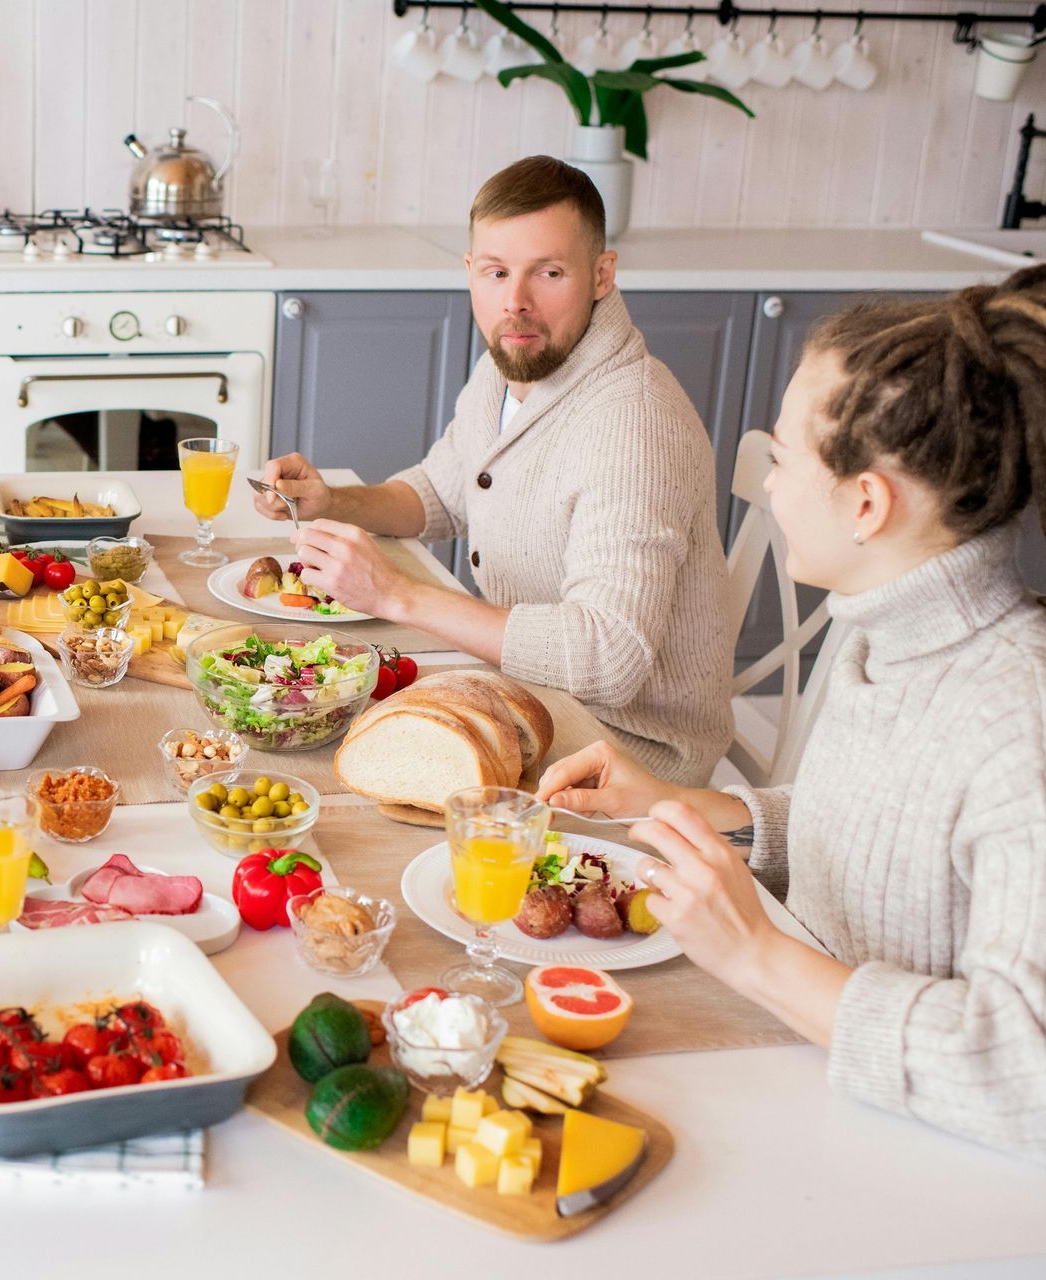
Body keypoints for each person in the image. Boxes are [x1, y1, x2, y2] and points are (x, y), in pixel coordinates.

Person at [537, 271, 1046, 1159]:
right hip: (811, 1081)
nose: (767, 488)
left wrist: (755, 956)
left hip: (935, 1172)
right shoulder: (885, 630)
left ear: (865, 503)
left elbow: (1022, 1070)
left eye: (781, 460)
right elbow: (886, 835)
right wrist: (693, 809)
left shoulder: (1021, 721)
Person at [254, 156, 733, 786]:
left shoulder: (634, 423)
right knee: (296, 719)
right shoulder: (512, 363)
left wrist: (396, 594)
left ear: (601, 275)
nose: (516, 302)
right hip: (531, 698)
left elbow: (607, 657)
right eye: (497, 272)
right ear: (470, 272)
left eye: (549, 273)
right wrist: (332, 501)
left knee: (324, 767)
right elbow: (440, 495)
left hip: (625, 756)